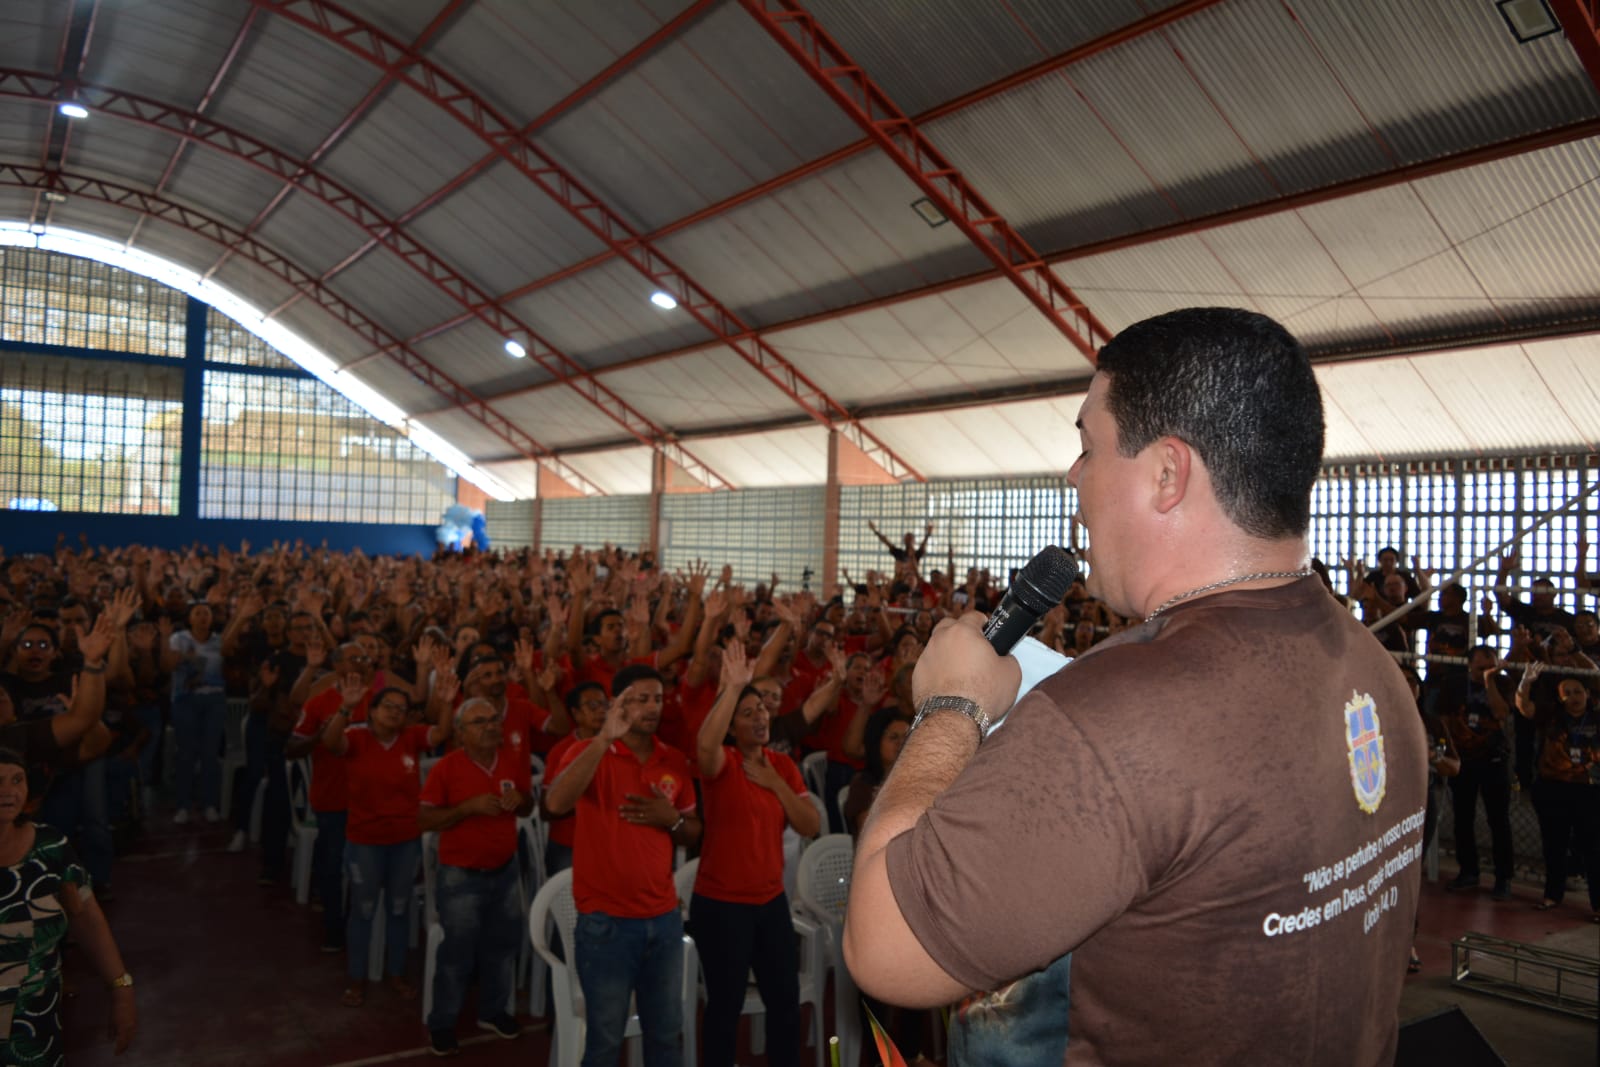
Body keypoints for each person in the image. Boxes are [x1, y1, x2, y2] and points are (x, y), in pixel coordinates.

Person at [842, 307, 1428, 1066]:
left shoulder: (1115, 718)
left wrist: (952, 705)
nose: (1074, 476)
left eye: (1089, 446)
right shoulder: (1372, 669)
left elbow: (883, 945)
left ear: (1166, 474)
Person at [545, 664, 701, 1067]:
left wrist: (672, 820)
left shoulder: (673, 759)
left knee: (666, 1037)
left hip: (663, 919)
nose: (652, 707)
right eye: (640, 699)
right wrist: (603, 740)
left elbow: (693, 832)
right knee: (605, 1041)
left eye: (658, 699)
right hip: (606, 922)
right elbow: (556, 804)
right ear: (618, 704)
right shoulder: (588, 751)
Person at [691, 643, 818, 1067]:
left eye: (762, 709)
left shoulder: (781, 766)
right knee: (725, 1007)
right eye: (747, 713)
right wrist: (732, 688)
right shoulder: (722, 763)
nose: (760, 716)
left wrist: (774, 782)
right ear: (731, 728)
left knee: (784, 1004)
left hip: (770, 902)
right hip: (722, 905)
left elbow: (810, 824)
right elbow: (703, 746)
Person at [0, 747, 137, 1064]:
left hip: (36, 1030)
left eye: (17, 780)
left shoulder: (50, 847)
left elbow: (86, 918)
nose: (8, 791)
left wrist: (121, 988)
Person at [419, 696, 533, 1054]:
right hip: (461, 875)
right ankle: (442, 1023)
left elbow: (529, 804)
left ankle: (492, 1011)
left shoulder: (512, 761)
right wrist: (466, 809)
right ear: (460, 732)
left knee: (503, 946)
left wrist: (521, 800)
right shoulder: (447, 768)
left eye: (494, 720)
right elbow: (424, 819)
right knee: (457, 952)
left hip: (505, 869)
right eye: (479, 722)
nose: (490, 727)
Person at [1514, 663, 1600, 919]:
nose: (1573, 697)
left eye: (1578, 692)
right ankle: (1553, 894)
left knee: (1593, 848)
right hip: (1553, 788)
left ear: (1587, 694)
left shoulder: (1596, 718)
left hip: (1589, 790)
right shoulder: (1551, 716)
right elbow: (1524, 707)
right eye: (1567, 693)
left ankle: (1597, 904)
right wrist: (1525, 682)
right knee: (1554, 844)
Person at [1436, 646, 1517, 900]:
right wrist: (1449, 750)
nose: (1486, 671)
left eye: (1491, 667)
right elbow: (1443, 718)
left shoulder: (1503, 683)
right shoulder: (1454, 684)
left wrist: (1489, 681)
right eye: (1481, 668)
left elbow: (1501, 713)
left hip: (1493, 759)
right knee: (1463, 817)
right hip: (1464, 759)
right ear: (1469, 664)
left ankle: (1503, 877)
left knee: (1498, 819)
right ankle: (1468, 870)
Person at [161, 602, 227, 823]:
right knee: (186, 753)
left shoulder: (219, 640)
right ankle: (183, 805)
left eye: (206, 613)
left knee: (210, 753)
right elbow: (167, 667)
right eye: (197, 613)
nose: (202, 617)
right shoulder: (178, 639)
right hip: (185, 700)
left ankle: (210, 804)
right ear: (190, 618)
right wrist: (178, 651)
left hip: (214, 701)